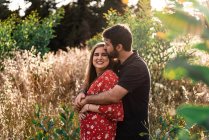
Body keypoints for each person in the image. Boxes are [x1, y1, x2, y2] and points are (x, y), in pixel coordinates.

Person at [75, 24, 151, 140]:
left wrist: (87, 101)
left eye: (107, 44)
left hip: (133, 133)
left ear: (119, 47)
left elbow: (113, 96)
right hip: (116, 130)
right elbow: (93, 78)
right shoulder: (118, 64)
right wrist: (82, 91)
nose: (105, 47)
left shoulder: (136, 67)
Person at [77, 42, 124, 140]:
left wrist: (88, 106)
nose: (99, 58)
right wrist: (81, 109)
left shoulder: (109, 76)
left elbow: (116, 111)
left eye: (104, 55)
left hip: (102, 134)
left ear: (110, 58)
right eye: (96, 54)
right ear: (92, 58)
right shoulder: (95, 78)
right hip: (90, 133)